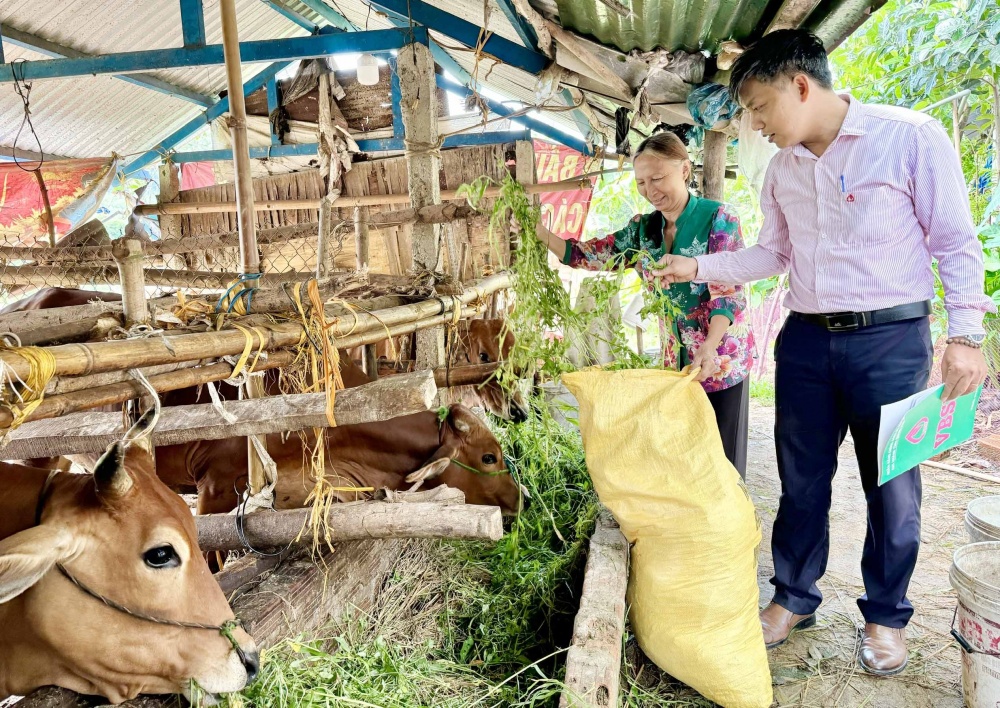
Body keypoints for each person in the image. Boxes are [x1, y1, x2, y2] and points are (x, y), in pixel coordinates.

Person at [652, 29, 991, 675]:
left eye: (758, 108)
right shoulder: (782, 168)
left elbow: (954, 239)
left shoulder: (908, 136)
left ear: (801, 86)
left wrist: (967, 336)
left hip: (891, 340)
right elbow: (773, 254)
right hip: (806, 340)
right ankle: (793, 597)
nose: (754, 125)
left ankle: (885, 616)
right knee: (800, 479)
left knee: (892, 484)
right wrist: (695, 265)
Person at [534, 131, 756, 478]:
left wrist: (709, 348)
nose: (651, 191)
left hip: (719, 359)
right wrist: (538, 232)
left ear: (684, 170)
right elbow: (586, 255)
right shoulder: (643, 231)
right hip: (675, 362)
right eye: (641, 183)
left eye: (658, 178)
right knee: (684, 456)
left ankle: (735, 531)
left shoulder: (718, 219)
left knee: (722, 460)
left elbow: (727, 294)